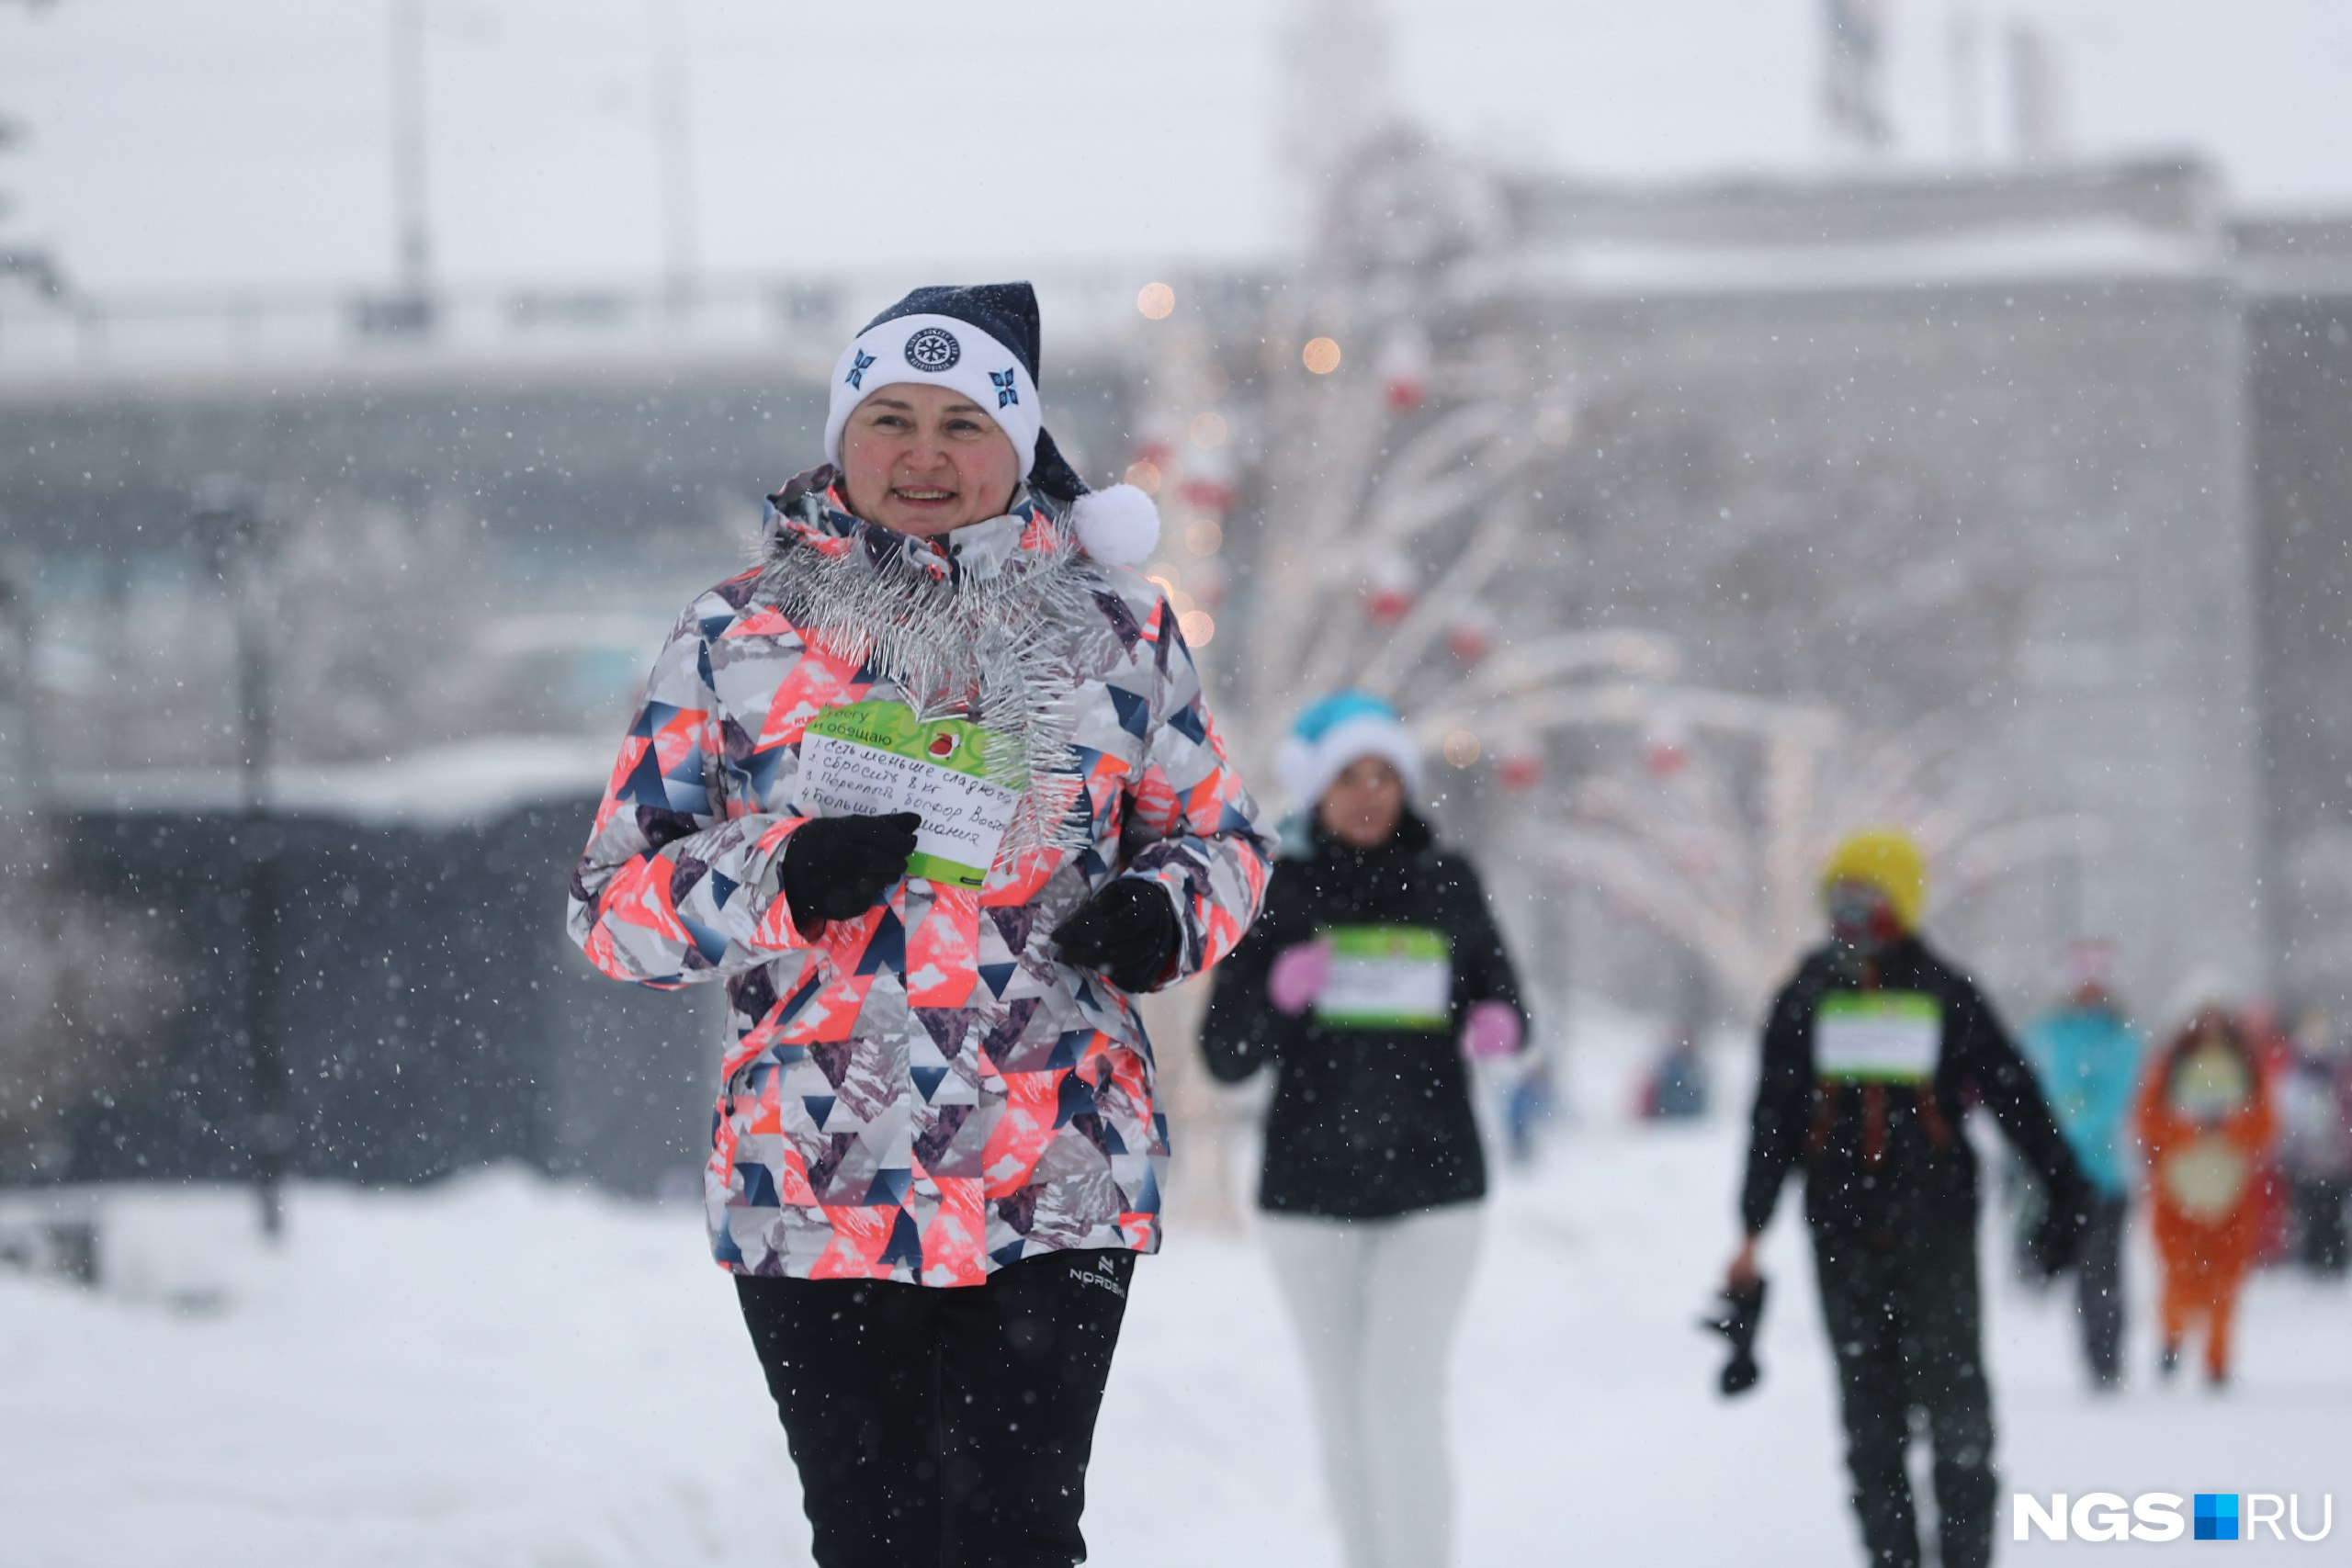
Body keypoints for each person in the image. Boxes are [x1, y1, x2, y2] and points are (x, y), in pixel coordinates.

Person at [566, 282, 1275, 1568]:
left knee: (1016, 1534)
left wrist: (1162, 911)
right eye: (891, 417)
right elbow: (612, 910)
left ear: (1020, 446)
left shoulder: (1120, 629)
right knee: (877, 1540)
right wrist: (778, 872)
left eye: (965, 423)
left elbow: (1223, 841)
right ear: (843, 437)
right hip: (820, 1170)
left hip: (1056, 1169)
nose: (925, 454)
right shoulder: (734, 636)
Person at [1200, 691, 1527, 1568]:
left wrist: (1493, 1024)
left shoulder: (1448, 881)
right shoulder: (1278, 888)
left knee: (1401, 1399)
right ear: (1316, 788)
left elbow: (1506, 1003)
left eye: (1385, 773)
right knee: (1343, 1412)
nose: (1370, 792)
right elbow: (1223, 1055)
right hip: (1309, 1197)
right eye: (1350, 774)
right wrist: (1276, 995)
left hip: (1436, 1188)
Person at [1726, 827, 2088, 1568]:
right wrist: (1751, 1226)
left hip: (1937, 1235)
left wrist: (2063, 1183)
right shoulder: (1804, 996)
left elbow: (2013, 1092)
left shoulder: (1946, 993)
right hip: (1842, 1235)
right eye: (1839, 899)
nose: (1850, 915)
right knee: (1870, 1428)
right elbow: (1774, 1115)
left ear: (1904, 902)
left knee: (1959, 1422)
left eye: (1867, 899)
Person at [2019, 939, 2146, 1388]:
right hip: (2057, 1178)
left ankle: (2106, 1356)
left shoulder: (2123, 1038)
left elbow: (2116, 1101)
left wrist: (2066, 1127)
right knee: (2077, 1269)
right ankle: (2094, 1351)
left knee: (2103, 1269)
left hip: (2106, 1178)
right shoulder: (2046, 1034)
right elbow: (2026, 1091)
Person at [2137, 1002, 2277, 1385]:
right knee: (2179, 1275)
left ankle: (2217, 1359)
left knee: (2225, 1281)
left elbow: (2264, 1125)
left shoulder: (2247, 1070)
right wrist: (2189, 1130)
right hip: (2177, 1191)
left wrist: (2230, 1129)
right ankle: (2173, 1334)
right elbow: (2149, 1122)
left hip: (2232, 1191)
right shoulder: (2168, 1070)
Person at [2278, 1008, 2352, 1274]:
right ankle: (2311, 1264)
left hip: (2336, 1162)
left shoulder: (2339, 1076)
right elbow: (2288, 1117)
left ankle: (2335, 1263)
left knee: (2334, 1218)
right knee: (2310, 1218)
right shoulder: (2295, 1077)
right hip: (2306, 1162)